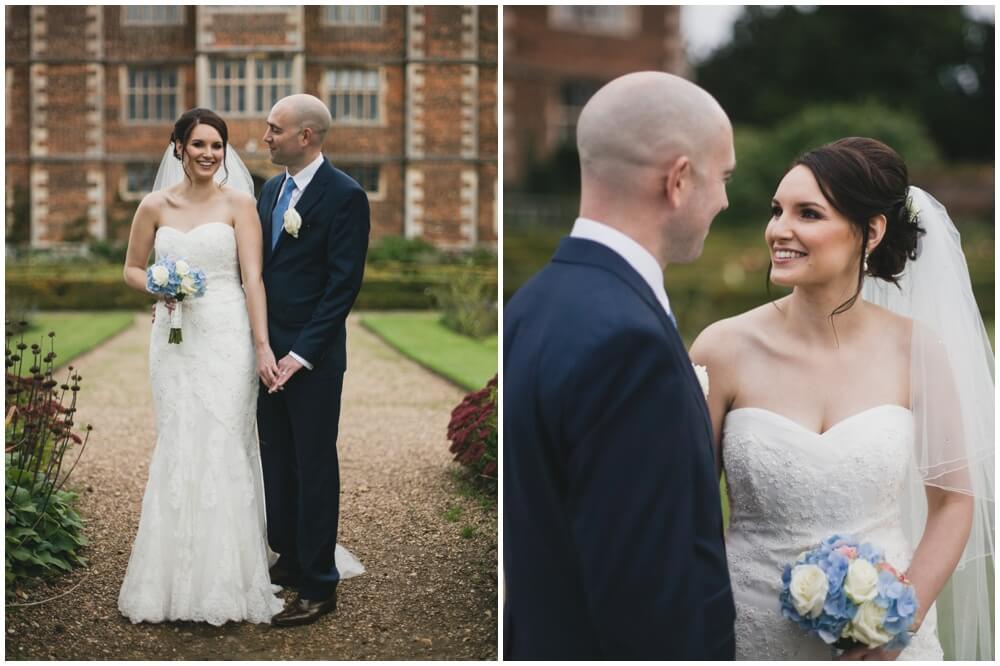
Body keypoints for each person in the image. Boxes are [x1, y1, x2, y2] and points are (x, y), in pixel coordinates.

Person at [691, 137, 994, 660]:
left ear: (871, 231)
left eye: (808, 213)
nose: (779, 230)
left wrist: (900, 620)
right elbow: (687, 509)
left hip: (886, 643)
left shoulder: (918, 350)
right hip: (749, 628)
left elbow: (952, 507)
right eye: (777, 210)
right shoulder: (723, 348)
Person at [503, 71, 738, 659]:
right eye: (724, 178)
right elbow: (647, 592)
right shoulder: (632, 344)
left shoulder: (536, 298)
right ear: (679, 180)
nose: (727, 200)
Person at [118, 108, 284, 624]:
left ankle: (229, 580)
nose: (209, 154)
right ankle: (169, 579)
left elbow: (252, 280)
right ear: (178, 148)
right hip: (174, 340)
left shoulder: (241, 204)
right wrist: (159, 285)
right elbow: (130, 267)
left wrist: (261, 346)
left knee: (223, 442)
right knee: (179, 440)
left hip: (227, 336)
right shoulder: (153, 204)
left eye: (217, 145)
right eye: (198, 145)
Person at [256, 94, 370, 627]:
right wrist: (260, 346)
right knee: (277, 461)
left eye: (275, 129)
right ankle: (292, 558)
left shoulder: (345, 196)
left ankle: (321, 585)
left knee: (314, 466)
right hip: (262, 356)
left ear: (306, 136)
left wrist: (300, 355)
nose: (265, 137)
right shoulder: (269, 189)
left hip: (313, 360)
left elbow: (341, 286)